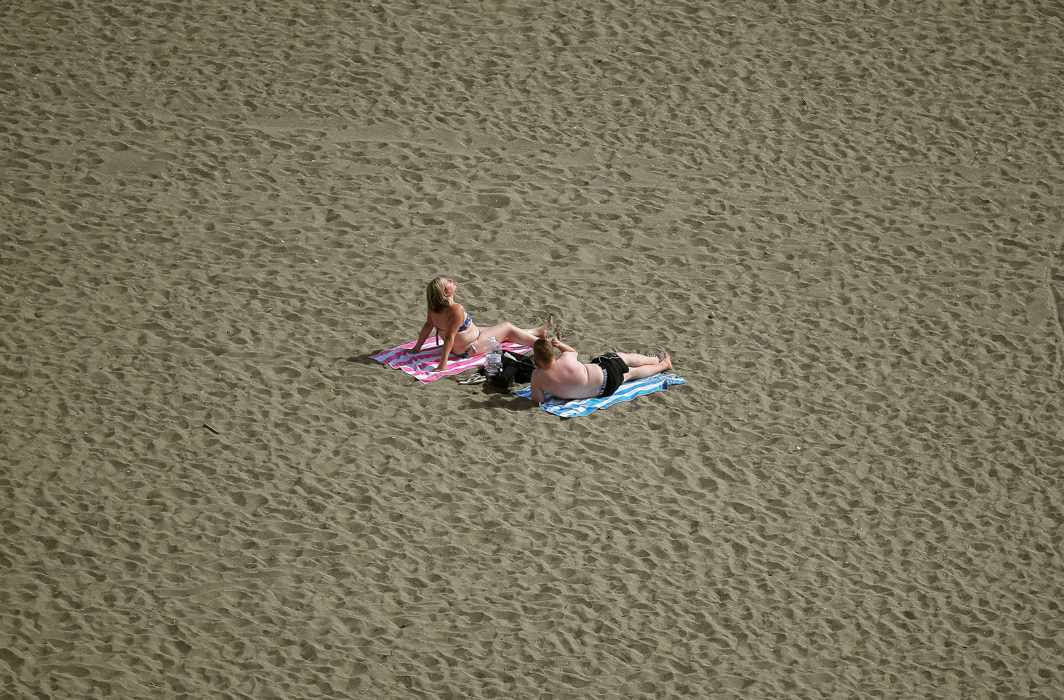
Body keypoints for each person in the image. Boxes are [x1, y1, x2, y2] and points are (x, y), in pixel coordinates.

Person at [410, 276, 548, 372]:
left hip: (464, 342)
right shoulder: (455, 309)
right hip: (470, 347)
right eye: (449, 282)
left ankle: (536, 332)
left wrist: (417, 347)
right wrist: (443, 364)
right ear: (446, 292)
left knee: (496, 330)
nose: (452, 281)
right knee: (507, 327)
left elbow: (428, 326)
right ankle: (542, 344)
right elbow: (449, 337)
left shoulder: (434, 307)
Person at [529, 337, 672, 405]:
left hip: (605, 390)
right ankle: (655, 361)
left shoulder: (537, 377)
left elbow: (539, 400)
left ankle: (663, 366)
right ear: (552, 353)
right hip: (605, 373)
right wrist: (560, 344)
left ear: (537, 358)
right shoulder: (566, 359)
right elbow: (573, 351)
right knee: (623, 357)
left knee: (630, 374)